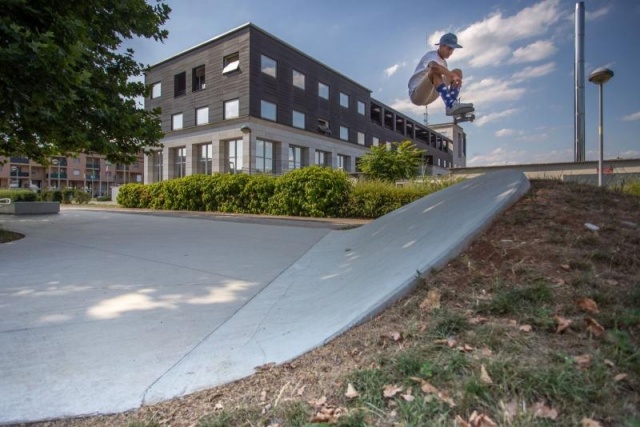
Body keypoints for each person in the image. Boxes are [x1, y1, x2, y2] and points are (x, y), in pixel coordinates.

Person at [408, 32, 472, 116]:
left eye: (452, 50)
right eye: (449, 48)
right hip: (417, 95)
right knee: (435, 71)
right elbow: (434, 67)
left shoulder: (444, 63)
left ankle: (452, 105)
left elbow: (447, 77)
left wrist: (455, 80)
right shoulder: (430, 56)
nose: (450, 52)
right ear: (441, 46)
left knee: (457, 72)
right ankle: (450, 104)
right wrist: (453, 76)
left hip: (431, 94)